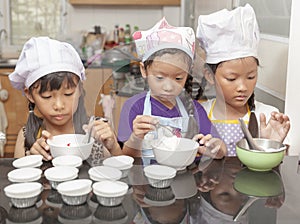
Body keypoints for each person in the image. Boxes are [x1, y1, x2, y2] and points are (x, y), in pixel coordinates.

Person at [118, 17, 227, 163]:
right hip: (145, 181)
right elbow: (126, 157)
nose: (169, 87)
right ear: (144, 70)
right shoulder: (133, 107)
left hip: (184, 179)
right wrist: (136, 138)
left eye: (178, 78)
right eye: (159, 77)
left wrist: (214, 148)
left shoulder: (194, 109)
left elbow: (221, 150)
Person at [196, 4, 290, 156]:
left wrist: (272, 147)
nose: (242, 87)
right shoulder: (201, 114)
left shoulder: (267, 116)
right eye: (231, 78)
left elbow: (279, 174)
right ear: (209, 75)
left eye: (251, 77)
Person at [9, 36, 122, 161]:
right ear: (30, 95)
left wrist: (114, 147)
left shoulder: (97, 130)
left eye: (68, 94)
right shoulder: (27, 136)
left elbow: (124, 173)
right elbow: (20, 178)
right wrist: (31, 159)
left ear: (79, 90)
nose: (59, 105)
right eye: (47, 96)